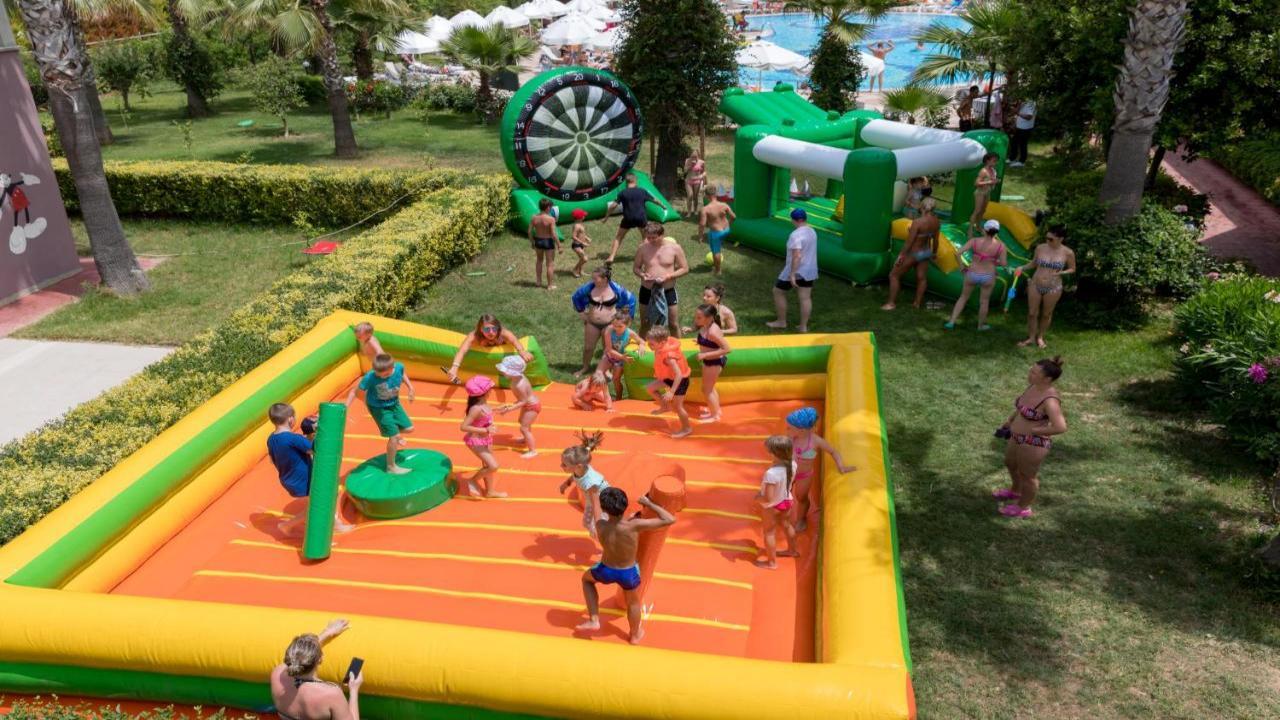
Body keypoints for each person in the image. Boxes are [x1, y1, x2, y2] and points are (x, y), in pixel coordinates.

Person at [575, 487, 676, 645]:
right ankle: (635, 635)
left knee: (586, 580)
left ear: (605, 510)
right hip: (627, 573)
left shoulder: (600, 525)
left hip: (606, 569)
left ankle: (594, 619)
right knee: (633, 603)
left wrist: (594, 494)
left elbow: (596, 506)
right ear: (625, 505)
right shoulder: (634, 525)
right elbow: (669, 519)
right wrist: (649, 503)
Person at [993, 357, 1068, 518]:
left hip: (1032, 443)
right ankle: (1016, 491)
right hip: (1016, 437)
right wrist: (1010, 421)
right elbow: (1022, 408)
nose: (1030, 374)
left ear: (1047, 379)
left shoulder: (1050, 400)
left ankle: (1023, 507)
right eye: (1031, 370)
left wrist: (1035, 431)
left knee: (1028, 476)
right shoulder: (1033, 386)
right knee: (1010, 464)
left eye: (1034, 372)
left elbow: (1060, 427)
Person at [267, 403, 354, 538]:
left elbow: (272, 459)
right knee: (320, 503)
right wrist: (318, 431)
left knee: (329, 494)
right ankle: (287, 525)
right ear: (290, 419)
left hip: (287, 477)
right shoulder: (293, 439)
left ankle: (335, 522)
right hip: (303, 478)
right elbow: (315, 449)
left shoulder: (272, 439)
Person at [269, 619, 362, 720]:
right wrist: (354, 689)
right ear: (320, 659)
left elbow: (300, 658)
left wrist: (326, 634)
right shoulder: (331, 694)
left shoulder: (277, 674)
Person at [344, 353, 415, 475]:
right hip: (379, 408)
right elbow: (355, 391)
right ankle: (391, 467)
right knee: (393, 437)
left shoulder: (398, 367)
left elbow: (402, 373)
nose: (382, 377)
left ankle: (394, 432)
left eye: (386, 375)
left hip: (394, 403)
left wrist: (410, 387)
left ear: (392, 367)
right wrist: (346, 406)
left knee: (409, 429)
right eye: (379, 375)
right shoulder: (370, 377)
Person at [785, 406, 854, 532]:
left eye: (789, 428)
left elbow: (833, 452)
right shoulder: (790, 437)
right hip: (790, 472)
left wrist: (841, 466)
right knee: (784, 492)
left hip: (803, 475)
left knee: (801, 497)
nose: (786, 429)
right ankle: (782, 511)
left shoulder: (815, 441)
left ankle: (801, 518)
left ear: (802, 430)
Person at [570, 264, 637, 377]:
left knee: (608, 349)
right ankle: (585, 367)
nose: (593, 280)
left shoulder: (616, 289)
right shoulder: (589, 287)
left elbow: (631, 300)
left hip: (609, 324)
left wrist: (626, 320)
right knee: (588, 348)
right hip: (592, 323)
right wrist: (581, 313)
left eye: (595, 278)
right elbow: (576, 297)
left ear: (605, 279)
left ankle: (606, 370)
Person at [1016, 225, 1076, 348]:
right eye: (1047, 238)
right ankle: (1031, 337)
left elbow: (1072, 269)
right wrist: (1022, 267)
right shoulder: (1040, 248)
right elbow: (1033, 263)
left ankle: (1040, 337)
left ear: (1061, 239)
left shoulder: (1068, 252)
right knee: (1032, 313)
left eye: (1051, 239)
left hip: (1054, 287)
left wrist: (1062, 273)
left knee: (1046, 314)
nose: (1048, 241)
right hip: (1035, 283)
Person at [945, 219, 1008, 331]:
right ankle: (981, 326)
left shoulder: (974, 241)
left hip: (972, 273)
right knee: (984, 301)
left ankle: (951, 322)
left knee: (963, 297)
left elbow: (957, 253)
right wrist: (994, 261)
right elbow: (1004, 264)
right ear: (997, 232)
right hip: (988, 276)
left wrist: (962, 267)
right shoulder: (1001, 246)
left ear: (984, 230)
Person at [883, 197, 941, 311]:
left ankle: (891, 303)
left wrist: (901, 256)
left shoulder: (918, 222)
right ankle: (917, 303)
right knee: (921, 278)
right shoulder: (936, 221)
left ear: (922, 207)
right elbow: (936, 240)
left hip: (914, 252)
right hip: (925, 252)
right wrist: (934, 253)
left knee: (894, 275)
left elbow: (909, 242)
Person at [633, 222, 690, 338]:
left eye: (654, 237)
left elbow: (685, 268)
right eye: (648, 237)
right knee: (645, 324)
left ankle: (677, 347)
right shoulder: (643, 248)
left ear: (662, 235)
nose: (651, 240)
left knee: (673, 324)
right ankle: (642, 346)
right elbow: (636, 268)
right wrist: (643, 275)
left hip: (668, 290)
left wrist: (669, 276)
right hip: (647, 290)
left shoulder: (675, 248)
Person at [766, 208, 819, 333]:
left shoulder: (795, 235)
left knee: (778, 292)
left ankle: (781, 321)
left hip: (797, 270)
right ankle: (803, 326)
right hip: (809, 270)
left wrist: (793, 274)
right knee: (805, 298)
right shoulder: (812, 231)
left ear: (795, 220)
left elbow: (797, 256)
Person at [446, 315, 533, 384]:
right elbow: (462, 351)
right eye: (487, 329)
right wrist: (454, 367)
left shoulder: (503, 333)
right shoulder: (474, 336)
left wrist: (522, 351)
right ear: (481, 329)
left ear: (498, 328)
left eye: (494, 329)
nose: (491, 332)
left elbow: (514, 341)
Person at [755, 435, 799, 569]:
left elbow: (768, 498)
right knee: (786, 525)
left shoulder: (772, 474)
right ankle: (792, 550)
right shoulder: (792, 464)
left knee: (769, 532)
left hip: (772, 506)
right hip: (786, 500)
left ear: (774, 454)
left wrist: (757, 498)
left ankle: (772, 563)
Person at [460, 375, 505, 498]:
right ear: (482, 394)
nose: (491, 390)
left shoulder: (483, 403)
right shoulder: (475, 408)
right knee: (493, 466)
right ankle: (472, 480)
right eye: (490, 389)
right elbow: (463, 427)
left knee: (487, 466)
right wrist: (485, 429)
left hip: (486, 439)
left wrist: (497, 409)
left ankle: (490, 491)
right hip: (476, 440)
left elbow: (486, 411)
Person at [645, 325, 692, 438]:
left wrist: (671, 392)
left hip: (679, 381)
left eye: (652, 344)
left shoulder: (669, 357)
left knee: (678, 407)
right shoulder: (660, 347)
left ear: (662, 343)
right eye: (648, 343)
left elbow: (679, 374)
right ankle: (665, 406)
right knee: (650, 388)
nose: (649, 346)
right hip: (669, 378)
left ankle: (687, 428)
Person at [559, 431, 608, 538]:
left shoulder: (590, 483)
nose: (560, 466)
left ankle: (607, 541)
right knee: (586, 523)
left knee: (598, 529)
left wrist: (598, 523)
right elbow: (574, 476)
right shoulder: (579, 470)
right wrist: (566, 484)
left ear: (579, 466)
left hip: (603, 502)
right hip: (591, 500)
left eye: (564, 464)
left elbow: (596, 504)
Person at [605, 174, 660, 263]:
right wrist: (663, 206)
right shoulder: (642, 191)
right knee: (645, 237)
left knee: (619, 237)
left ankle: (611, 257)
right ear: (635, 181)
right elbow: (655, 200)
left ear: (626, 182)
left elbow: (613, 206)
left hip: (628, 218)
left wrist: (606, 216)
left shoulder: (623, 192)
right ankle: (645, 256)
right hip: (641, 217)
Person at [495, 355, 540, 459]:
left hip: (532, 406)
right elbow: (523, 399)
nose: (502, 372)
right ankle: (525, 439)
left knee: (524, 428)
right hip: (528, 404)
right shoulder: (519, 378)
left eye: (505, 371)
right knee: (522, 422)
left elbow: (523, 401)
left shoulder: (519, 385)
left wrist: (509, 409)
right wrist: (511, 405)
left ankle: (533, 451)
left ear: (512, 372)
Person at [692, 303, 731, 423]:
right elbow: (712, 343)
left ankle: (714, 416)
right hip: (709, 361)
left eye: (699, 317)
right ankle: (716, 410)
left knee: (706, 390)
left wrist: (705, 355)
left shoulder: (713, 331)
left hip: (714, 362)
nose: (696, 319)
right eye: (696, 316)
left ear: (709, 318)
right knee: (710, 388)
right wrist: (700, 341)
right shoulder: (706, 326)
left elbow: (727, 349)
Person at [598, 310, 640, 399]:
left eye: (620, 326)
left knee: (616, 379)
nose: (616, 328)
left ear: (627, 325)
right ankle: (598, 394)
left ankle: (618, 397)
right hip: (610, 355)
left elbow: (642, 342)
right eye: (614, 325)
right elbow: (609, 349)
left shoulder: (630, 333)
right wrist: (622, 357)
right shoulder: (609, 330)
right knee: (598, 373)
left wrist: (642, 346)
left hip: (621, 360)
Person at [698, 186, 736, 276]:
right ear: (716, 194)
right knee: (715, 242)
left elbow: (702, 224)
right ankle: (716, 264)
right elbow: (734, 217)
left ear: (706, 196)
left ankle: (718, 271)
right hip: (726, 230)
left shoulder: (706, 209)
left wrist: (700, 236)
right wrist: (728, 225)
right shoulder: (724, 205)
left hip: (716, 233)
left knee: (716, 251)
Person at [529, 198, 562, 290]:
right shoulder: (551, 219)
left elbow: (529, 231)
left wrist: (532, 242)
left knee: (539, 261)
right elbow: (553, 234)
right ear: (547, 207)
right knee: (550, 264)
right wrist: (559, 245)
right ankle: (550, 285)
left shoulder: (534, 217)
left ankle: (538, 282)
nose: (551, 209)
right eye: (550, 207)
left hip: (538, 241)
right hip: (548, 242)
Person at [968, 152, 1000, 234]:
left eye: (996, 161)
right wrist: (989, 182)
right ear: (987, 161)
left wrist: (995, 181)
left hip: (987, 193)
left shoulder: (993, 171)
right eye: (994, 161)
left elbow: (992, 182)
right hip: (980, 193)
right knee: (977, 210)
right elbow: (976, 183)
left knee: (983, 210)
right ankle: (970, 230)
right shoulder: (984, 171)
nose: (996, 162)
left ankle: (978, 226)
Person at [1009, 97, 1036, 167]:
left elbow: (1029, 117)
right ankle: (1012, 158)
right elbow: (1016, 114)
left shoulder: (1031, 103)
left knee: (1022, 145)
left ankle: (1022, 161)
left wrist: (1018, 113)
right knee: (1014, 143)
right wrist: (1015, 124)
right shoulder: (1022, 103)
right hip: (1019, 127)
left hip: (1026, 128)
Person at [683, 152, 708, 216]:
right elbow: (685, 171)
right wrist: (690, 166)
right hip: (688, 180)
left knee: (695, 196)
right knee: (690, 195)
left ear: (698, 156)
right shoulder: (687, 161)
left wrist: (701, 176)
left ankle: (695, 210)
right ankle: (689, 212)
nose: (694, 158)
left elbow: (704, 172)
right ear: (690, 156)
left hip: (697, 181)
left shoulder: (702, 162)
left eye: (695, 157)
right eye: (692, 157)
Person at [569, 208, 591, 277]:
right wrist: (582, 242)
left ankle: (581, 271)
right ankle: (575, 269)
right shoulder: (576, 226)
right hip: (577, 245)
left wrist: (587, 238)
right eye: (583, 215)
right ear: (580, 217)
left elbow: (582, 234)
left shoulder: (580, 224)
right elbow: (573, 236)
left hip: (581, 245)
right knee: (585, 259)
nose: (584, 216)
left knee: (581, 259)